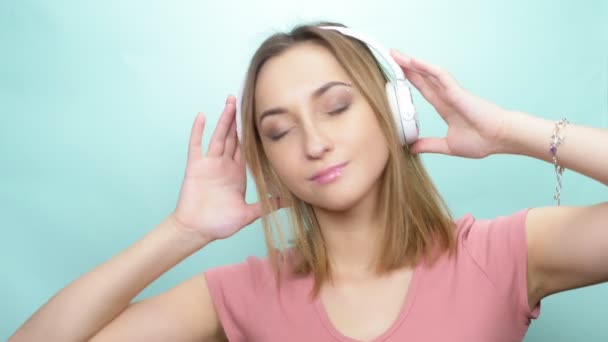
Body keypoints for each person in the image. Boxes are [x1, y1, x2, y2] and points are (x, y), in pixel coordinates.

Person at [10, 21, 608, 342]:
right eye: (278, 130)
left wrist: (508, 130)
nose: (313, 142)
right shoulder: (239, 296)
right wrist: (183, 231)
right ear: (267, 161)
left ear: (392, 113)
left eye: (336, 106)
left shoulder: (500, 255)